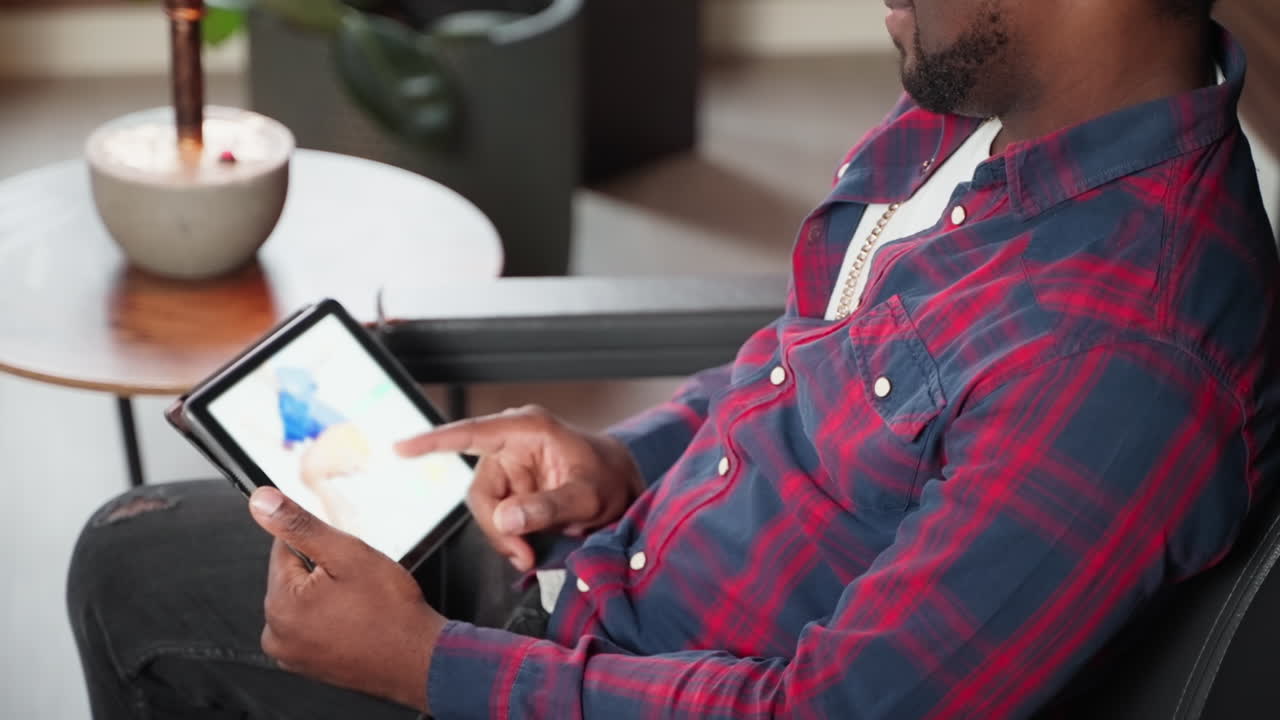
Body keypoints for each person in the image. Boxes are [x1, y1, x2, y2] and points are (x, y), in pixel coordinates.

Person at [67, 0, 1280, 717]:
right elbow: (804, 364)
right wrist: (617, 458)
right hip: (605, 583)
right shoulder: (977, 121)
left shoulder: (1119, 361)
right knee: (168, 530)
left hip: (625, 677)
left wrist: (431, 666)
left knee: (134, 579)